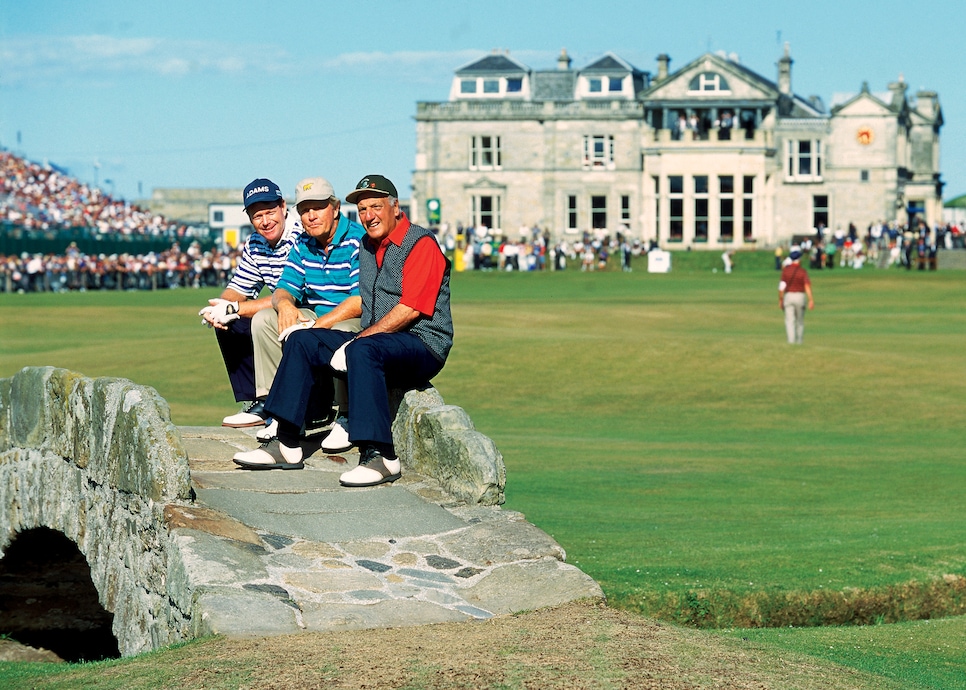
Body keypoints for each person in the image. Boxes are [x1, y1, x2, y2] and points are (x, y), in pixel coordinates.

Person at [233, 174, 453, 488]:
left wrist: (357, 341)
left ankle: (380, 455)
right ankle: (286, 443)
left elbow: (410, 310)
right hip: (380, 337)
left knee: (363, 349)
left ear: (395, 207)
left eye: (375, 207)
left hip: (423, 342)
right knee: (302, 338)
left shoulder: (420, 243)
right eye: (363, 210)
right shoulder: (367, 244)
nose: (368, 216)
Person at [251, 177, 366, 452]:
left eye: (318, 207)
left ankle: (348, 415)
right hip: (317, 316)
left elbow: (359, 301)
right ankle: (278, 408)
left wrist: (316, 326)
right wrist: (287, 306)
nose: (311, 216)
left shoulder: (357, 239)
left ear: (335, 208)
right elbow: (282, 290)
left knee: (336, 335)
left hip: (353, 317)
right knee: (265, 319)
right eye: (304, 210)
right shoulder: (303, 243)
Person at [198, 178, 301, 427]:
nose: (265, 221)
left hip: (302, 309)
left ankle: (282, 404)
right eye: (257, 216)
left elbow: (291, 295)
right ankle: (259, 403)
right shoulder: (255, 243)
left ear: (283, 207)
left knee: (255, 318)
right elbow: (239, 287)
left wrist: (234, 308)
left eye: (270, 212)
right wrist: (220, 308)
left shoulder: (301, 236)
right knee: (230, 323)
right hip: (277, 310)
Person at [778, 247, 815, 345]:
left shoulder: (786, 271)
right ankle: (799, 341)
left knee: (790, 321)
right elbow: (807, 286)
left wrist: (780, 299)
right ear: (799, 259)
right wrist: (810, 299)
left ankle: (791, 341)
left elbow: (781, 287)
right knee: (799, 321)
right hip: (800, 296)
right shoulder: (802, 271)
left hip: (788, 296)